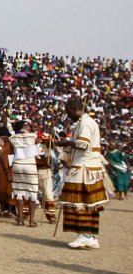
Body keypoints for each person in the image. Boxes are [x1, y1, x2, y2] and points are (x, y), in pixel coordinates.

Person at [55, 99, 108, 249]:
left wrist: (66, 143)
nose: (68, 116)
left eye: (68, 112)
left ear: (74, 109)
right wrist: (64, 154)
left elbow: (83, 145)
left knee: (81, 202)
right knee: (86, 202)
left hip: (85, 167)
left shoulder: (86, 123)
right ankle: (88, 235)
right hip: (84, 166)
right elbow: (73, 146)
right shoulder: (81, 123)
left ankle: (86, 235)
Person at [9, 120, 40, 227]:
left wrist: (10, 167)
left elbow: (11, 153)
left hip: (17, 165)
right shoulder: (33, 136)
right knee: (32, 193)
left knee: (19, 192)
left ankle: (20, 220)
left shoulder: (13, 138)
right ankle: (31, 221)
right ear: (25, 127)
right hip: (30, 165)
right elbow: (38, 151)